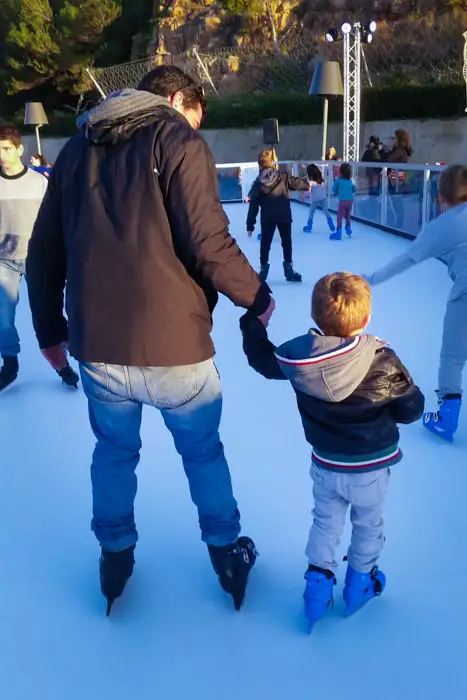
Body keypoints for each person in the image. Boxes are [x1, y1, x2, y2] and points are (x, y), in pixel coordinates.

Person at [26, 66, 275, 616]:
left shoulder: (75, 148)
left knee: (114, 453)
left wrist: (48, 331)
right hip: (175, 345)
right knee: (203, 453)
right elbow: (208, 241)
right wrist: (258, 298)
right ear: (175, 98)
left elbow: (44, 250)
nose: (195, 125)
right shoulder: (176, 139)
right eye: (195, 113)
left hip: (97, 345)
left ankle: (114, 556)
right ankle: (226, 555)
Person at [239, 272, 424, 631]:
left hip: (326, 465)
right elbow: (411, 409)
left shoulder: (302, 359)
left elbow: (262, 360)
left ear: (316, 318)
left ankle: (318, 585)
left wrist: (253, 325)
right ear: (366, 319)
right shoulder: (382, 360)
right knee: (368, 524)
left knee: (326, 522)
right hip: (370, 468)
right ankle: (360, 581)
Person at [364, 165, 467, 443]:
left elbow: (407, 259)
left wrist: (369, 280)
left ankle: (446, 418)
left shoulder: (443, 226)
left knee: (453, 356)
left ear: (441, 199)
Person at [0, 124, 78, 392]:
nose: (2, 154)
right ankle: (9, 363)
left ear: (19, 149)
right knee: (2, 316)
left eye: (6, 148)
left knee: (46, 316)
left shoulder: (39, 182)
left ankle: (64, 364)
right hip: (3, 261)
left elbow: (55, 219)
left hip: (38, 258)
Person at [246, 149, 309, 283]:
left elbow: (254, 204)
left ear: (259, 164)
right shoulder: (282, 176)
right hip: (283, 215)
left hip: (268, 217)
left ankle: (263, 270)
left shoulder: (258, 182)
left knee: (265, 243)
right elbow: (295, 182)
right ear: (273, 162)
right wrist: (306, 185)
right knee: (286, 242)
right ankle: (289, 270)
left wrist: (250, 224)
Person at [302, 164, 335, 235]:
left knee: (311, 212)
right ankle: (331, 225)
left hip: (315, 200)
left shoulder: (310, 180)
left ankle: (309, 226)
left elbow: (308, 188)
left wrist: (304, 196)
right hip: (323, 198)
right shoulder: (322, 178)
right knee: (326, 211)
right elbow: (325, 184)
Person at [331, 162, 357, 240]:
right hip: (350, 201)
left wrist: (337, 192)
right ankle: (348, 227)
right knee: (347, 214)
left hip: (342, 201)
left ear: (340, 172)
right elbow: (354, 189)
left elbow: (334, 189)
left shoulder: (338, 180)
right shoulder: (351, 181)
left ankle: (338, 232)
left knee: (340, 216)